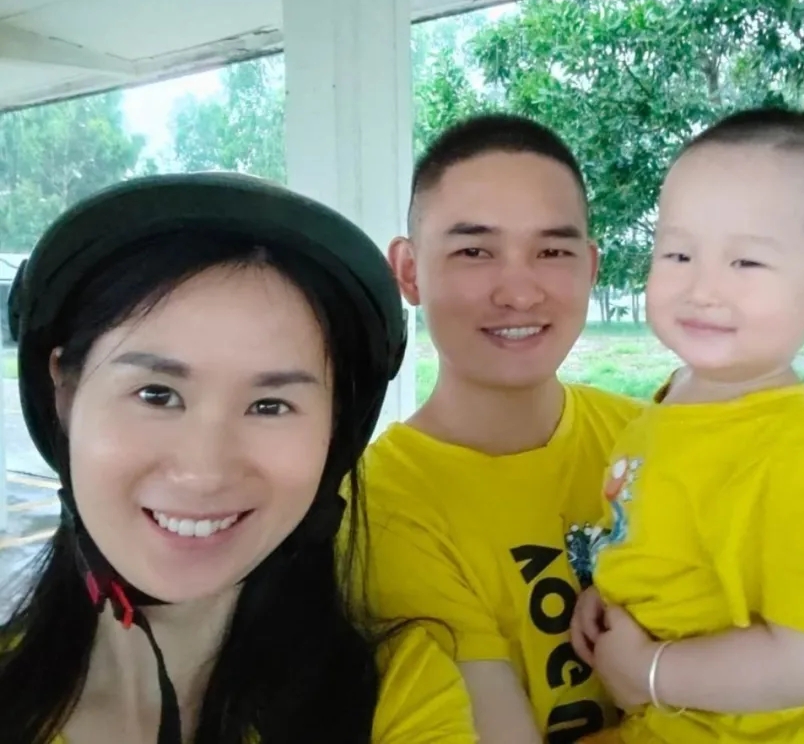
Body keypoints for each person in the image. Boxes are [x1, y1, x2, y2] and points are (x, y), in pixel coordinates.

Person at [355, 114, 804, 744]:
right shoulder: (389, 507)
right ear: (409, 270)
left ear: (591, 268)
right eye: (474, 251)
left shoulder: (665, 434)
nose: (519, 292)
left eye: (552, 251)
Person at [0, 173, 477, 744]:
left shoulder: (396, 694)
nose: (204, 472)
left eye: (270, 405)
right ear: (65, 393)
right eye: (157, 394)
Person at [570, 108, 804, 743]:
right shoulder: (678, 400)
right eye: (678, 253)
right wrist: (613, 589)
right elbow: (665, 540)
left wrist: (651, 670)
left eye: (746, 263)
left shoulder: (798, 466)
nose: (702, 288)